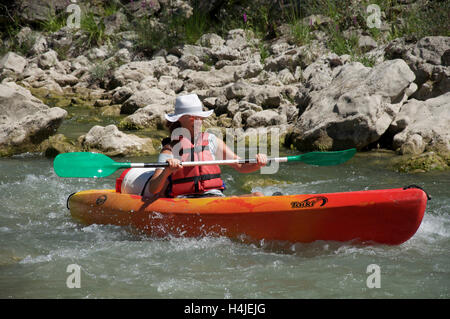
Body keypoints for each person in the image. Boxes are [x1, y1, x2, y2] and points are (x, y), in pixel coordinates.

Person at [141, 93, 268, 199]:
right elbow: (153, 188)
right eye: (191, 117)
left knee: (258, 196)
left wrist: (257, 163)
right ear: (180, 119)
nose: (197, 121)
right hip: (185, 200)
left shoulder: (212, 141)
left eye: (200, 117)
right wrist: (167, 171)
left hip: (214, 197)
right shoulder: (170, 149)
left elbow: (240, 166)